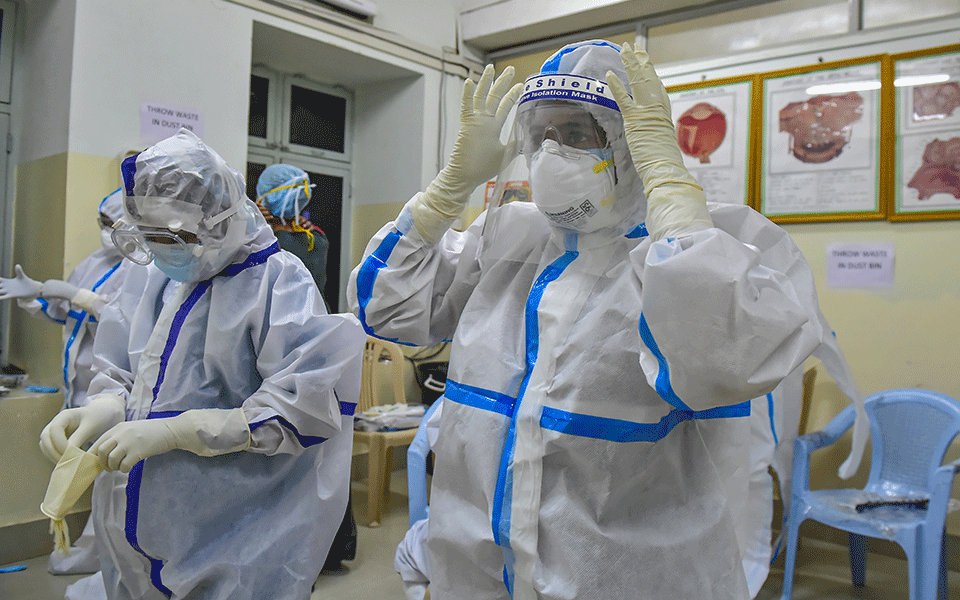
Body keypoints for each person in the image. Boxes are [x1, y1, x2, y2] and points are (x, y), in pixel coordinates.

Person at [348, 41, 867, 599]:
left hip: (623, 577)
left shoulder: (703, 247)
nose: (552, 152)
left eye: (577, 133)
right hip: (480, 576)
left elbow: (727, 359)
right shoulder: (508, 239)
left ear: (631, 143)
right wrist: (448, 190)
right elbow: (385, 307)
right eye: (541, 134)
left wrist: (671, 195)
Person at [39, 128, 366, 600]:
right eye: (149, 235)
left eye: (175, 236)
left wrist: (180, 431)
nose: (162, 249)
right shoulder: (155, 277)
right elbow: (122, 362)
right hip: (136, 524)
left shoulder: (276, 283)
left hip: (238, 526)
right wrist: (105, 405)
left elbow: (303, 407)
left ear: (220, 220)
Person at [0, 188, 132, 576]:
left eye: (112, 224)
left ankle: (102, 552)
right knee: (97, 473)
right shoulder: (96, 261)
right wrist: (35, 296)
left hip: (115, 387)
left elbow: (127, 323)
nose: (105, 232)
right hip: (82, 384)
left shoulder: (144, 268)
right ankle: (94, 548)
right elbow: (65, 314)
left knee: (114, 478)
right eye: (101, 223)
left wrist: (81, 297)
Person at [256, 162, 355, 571]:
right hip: (295, 353)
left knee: (307, 453)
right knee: (301, 450)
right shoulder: (307, 236)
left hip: (298, 352)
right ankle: (307, 548)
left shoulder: (297, 240)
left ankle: (310, 550)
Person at [255, 163, 330, 302]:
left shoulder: (265, 242)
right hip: (319, 314)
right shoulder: (318, 238)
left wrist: (253, 222)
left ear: (267, 197)